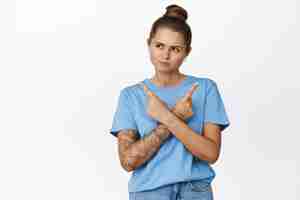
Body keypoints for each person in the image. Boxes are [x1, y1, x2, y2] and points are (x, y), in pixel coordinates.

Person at [110, 4, 230, 200]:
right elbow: (128, 161)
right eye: (159, 46)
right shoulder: (131, 95)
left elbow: (211, 154)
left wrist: (167, 116)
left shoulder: (205, 89)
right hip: (148, 192)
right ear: (149, 44)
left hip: (195, 190)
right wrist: (175, 117)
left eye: (175, 49)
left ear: (187, 52)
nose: (165, 56)